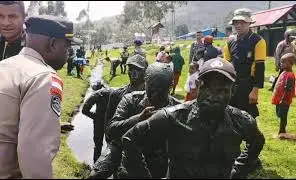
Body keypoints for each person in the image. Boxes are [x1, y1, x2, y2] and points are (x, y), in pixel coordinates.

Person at [122, 57, 265, 179]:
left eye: (221, 90)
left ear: (232, 91)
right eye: (207, 88)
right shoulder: (173, 116)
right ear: (198, 86)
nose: (212, 96)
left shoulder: (242, 122)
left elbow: (257, 142)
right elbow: (130, 139)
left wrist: (238, 171)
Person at [0, 15, 73, 178]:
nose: (67, 53)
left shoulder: (0, 67)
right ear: (52, 44)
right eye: (67, 46)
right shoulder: (43, 76)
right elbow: (34, 152)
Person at [106, 62, 180, 178]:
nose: (155, 94)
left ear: (170, 87)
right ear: (145, 83)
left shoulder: (178, 109)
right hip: (129, 167)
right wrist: (138, 118)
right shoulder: (130, 101)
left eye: (161, 90)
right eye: (152, 88)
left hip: (160, 168)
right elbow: (111, 130)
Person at [88, 54, 148, 179]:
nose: (133, 72)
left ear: (145, 72)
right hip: (119, 143)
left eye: (137, 69)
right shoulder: (117, 94)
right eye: (130, 68)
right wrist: (112, 143)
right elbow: (108, 124)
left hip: (142, 146)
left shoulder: (151, 94)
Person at [223, 8, 266, 172]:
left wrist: (255, 90)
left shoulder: (258, 41)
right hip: (232, 85)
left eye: (242, 22)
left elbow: (260, 67)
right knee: (230, 116)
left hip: (248, 86)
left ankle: (252, 154)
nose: (238, 25)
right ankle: (233, 151)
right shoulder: (230, 40)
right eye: (236, 22)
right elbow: (226, 64)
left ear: (249, 23)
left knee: (249, 118)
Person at [82, 80, 113, 163]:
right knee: (112, 145)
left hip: (99, 122)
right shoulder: (113, 92)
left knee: (98, 145)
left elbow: (84, 110)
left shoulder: (96, 94)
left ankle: (95, 165)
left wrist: (95, 117)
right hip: (111, 122)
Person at [271, 53, 296, 138]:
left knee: (283, 116)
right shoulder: (283, 72)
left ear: (290, 63)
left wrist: (283, 99)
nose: (281, 64)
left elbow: (288, 89)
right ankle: (281, 130)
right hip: (279, 99)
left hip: (284, 100)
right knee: (279, 114)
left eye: (283, 62)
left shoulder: (290, 75)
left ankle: (282, 131)